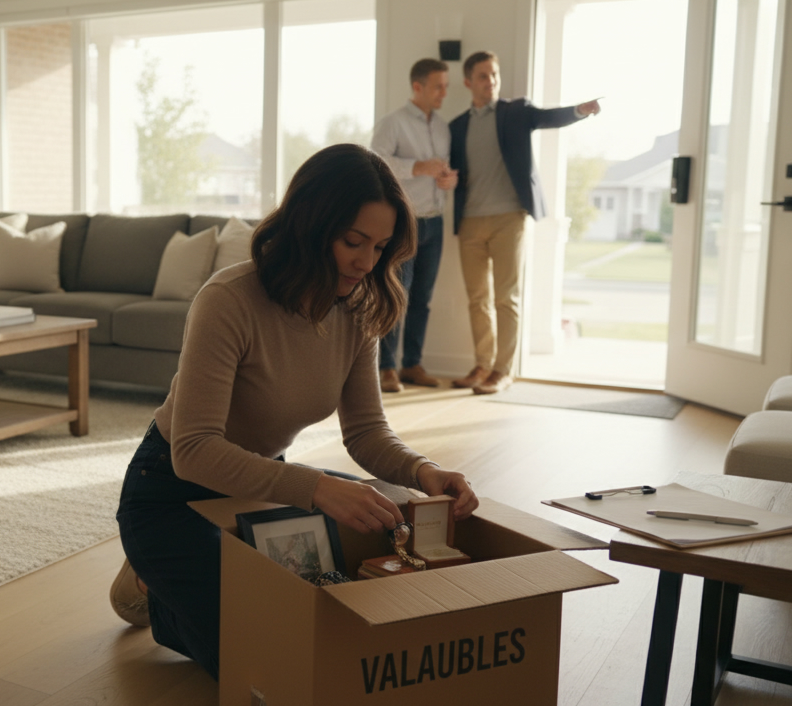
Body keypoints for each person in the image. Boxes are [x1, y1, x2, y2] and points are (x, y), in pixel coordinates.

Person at [109, 144, 479, 680]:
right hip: (170, 492)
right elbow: (193, 450)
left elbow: (368, 432)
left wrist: (425, 472)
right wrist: (318, 488)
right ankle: (153, 585)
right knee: (268, 650)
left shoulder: (357, 308)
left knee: (383, 522)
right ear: (310, 225)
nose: (366, 262)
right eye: (353, 241)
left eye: (378, 247)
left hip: (259, 487)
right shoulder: (229, 300)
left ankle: (172, 576)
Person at [448, 51, 600, 394]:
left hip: (508, 219)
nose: (491, 81)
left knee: (506, 297)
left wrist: (580, 110)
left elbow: (548, 117)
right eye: (483, 76)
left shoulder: (514, 112)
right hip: (469, 221)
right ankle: (481, 365)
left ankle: (502, 370)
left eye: (494, 75)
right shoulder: (456, 126)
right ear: (468, 82)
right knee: (477, 299)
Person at [370, 58, 458, 393]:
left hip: (435, 224)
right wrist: (417, 167)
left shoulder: (443, 127)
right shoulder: (392, 123)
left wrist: (448, 180)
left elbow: (440, 170)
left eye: (446, 86)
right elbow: (375, 163)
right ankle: (385, 367)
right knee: (397, 295)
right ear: (417, 87)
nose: (444, 93)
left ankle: (412, 365)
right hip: (403, 224)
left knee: (422, 297)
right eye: (438, 86)